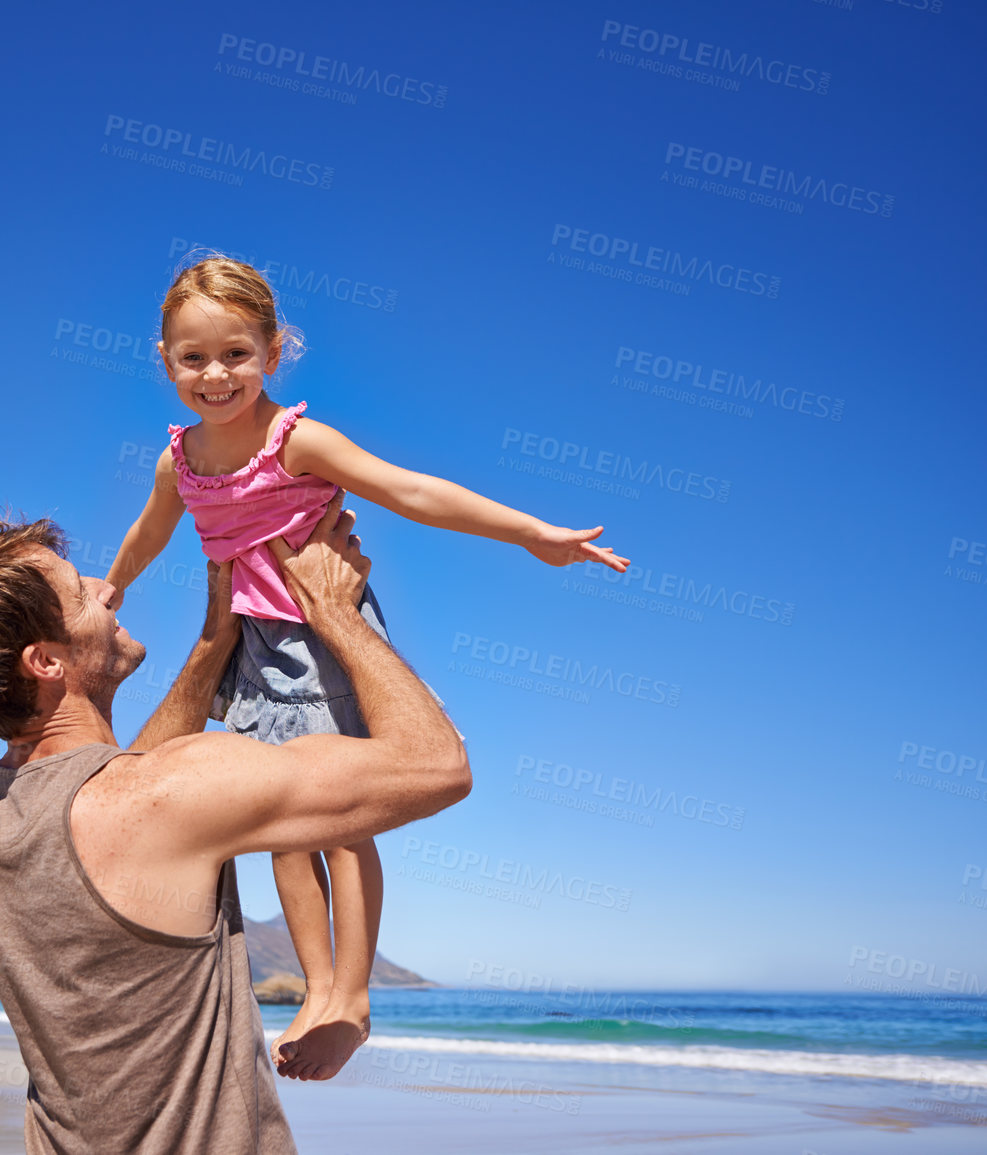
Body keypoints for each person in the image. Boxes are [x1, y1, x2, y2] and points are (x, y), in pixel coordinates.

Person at [104, 254, 631, 1079]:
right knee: (276, 823)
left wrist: (531, 534)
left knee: (344, 821)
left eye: (237, 353)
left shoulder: (297, 440)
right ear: (163, 360)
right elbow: (149, 530)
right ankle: (318, 988)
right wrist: (113, 584)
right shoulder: (180, 460)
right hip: (252, 649)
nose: (216, 374)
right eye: (193, 356)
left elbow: (407, 490)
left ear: (274, 353)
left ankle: (352, 989)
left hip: (327, 636)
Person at [0, 492, 471, 1153]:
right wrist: (335, 611)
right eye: (77, 593)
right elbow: (437, 766)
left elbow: (120, 783)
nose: (104, 589)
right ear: (46, 661)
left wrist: (213, 641)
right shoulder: (161, 796)